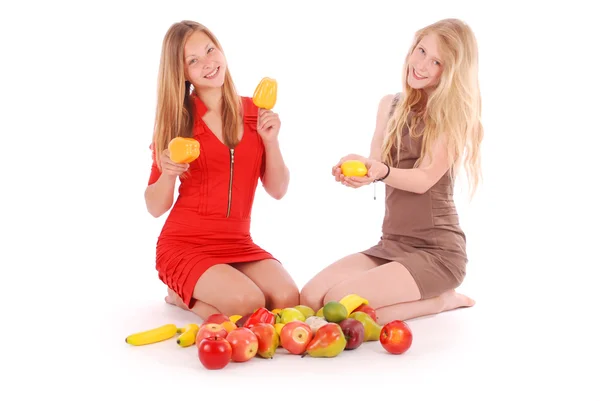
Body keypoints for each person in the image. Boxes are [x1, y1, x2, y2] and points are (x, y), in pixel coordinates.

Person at [300, 18, 482, 325]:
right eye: (421, 50)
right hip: (392, 244)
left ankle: (440, 300)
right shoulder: (390, 104)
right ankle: (427, 296)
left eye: (436, 61)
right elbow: (377, 164)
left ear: (450, 72)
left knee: (339, 307)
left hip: (436, 252)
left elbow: (423, 179)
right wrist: (357, 174)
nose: (421, 65)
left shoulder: (452, 118)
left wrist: (380, 171)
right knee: (310, 298)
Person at [145, 20, 299, 320]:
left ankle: (206, 289)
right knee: (248, 304)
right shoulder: (178, 123)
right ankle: (181, 296)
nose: (208, 63)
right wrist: (168, 172)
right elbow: (154, 207)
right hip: (185, 245)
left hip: (238, 242)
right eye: (193, 60)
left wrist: (271, 142)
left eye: (209, 50)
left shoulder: (256, 111)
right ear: (182, 73)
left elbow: (278, 190)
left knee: (287, 299)